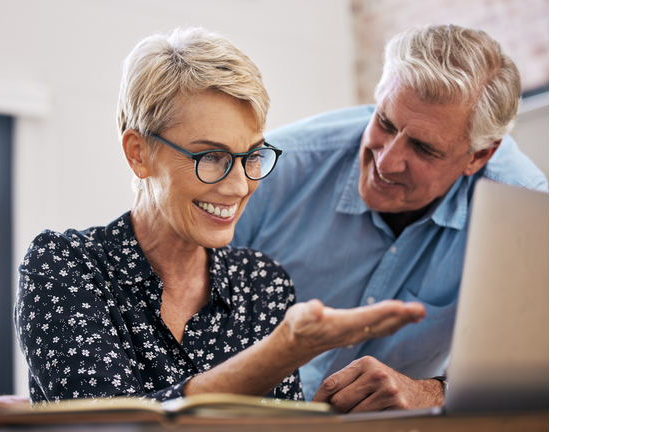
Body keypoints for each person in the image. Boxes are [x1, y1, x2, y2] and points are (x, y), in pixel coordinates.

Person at [13, 27, 426, 406]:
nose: (238, 186)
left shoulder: (263, 283)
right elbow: (110, 423)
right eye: (212, 157)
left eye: (251, 156)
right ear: (138, 153)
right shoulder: (65, 264)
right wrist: (279, 353)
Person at [231, 24, 549, 412]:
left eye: (423, 148)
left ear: (478, 156)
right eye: (385, 122)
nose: (387, 160)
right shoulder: (271, 168)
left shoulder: (522, 207)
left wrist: (431, 392)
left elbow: (540, 369)